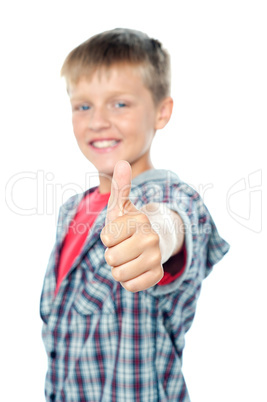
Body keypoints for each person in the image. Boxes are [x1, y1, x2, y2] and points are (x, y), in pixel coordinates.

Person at [40, 28, 230, 401]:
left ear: (161, 111)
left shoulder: (170, 197)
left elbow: (176, 221)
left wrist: (156, 236)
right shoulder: (71, 211)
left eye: (120, 103)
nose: (97, 121)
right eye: (83, 106)